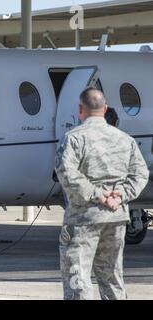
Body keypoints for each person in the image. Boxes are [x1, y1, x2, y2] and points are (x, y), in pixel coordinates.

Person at [55, 87, 149, 300]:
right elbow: (141, 173)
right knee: (112, 277)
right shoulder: (126, 140)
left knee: (77, 279)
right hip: (116, 217)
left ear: (80, 109)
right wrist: (120, 195)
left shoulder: (73, 139)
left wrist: (98, 195)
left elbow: (66, 173)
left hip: (83, 219)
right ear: (105, 109)